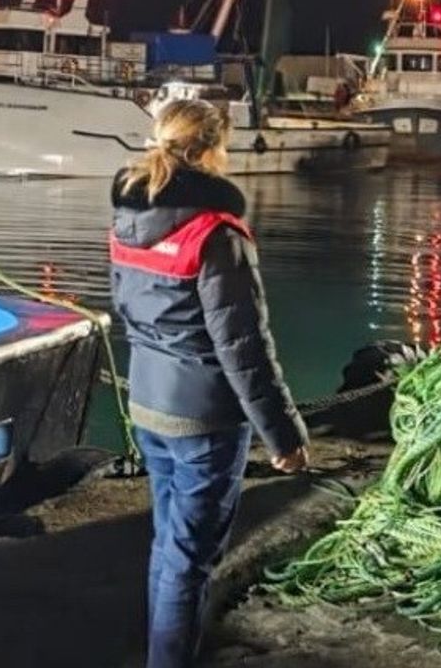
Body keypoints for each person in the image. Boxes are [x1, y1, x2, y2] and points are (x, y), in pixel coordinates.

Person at [109, 99, 309, 668]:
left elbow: (126, 308)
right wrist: (283, 435)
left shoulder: (126, 221)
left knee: (168, 544)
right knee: (190, 560)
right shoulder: (217, 234)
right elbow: (244, 346)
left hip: (148, 402)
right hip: (205, 419)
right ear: (212, 150)